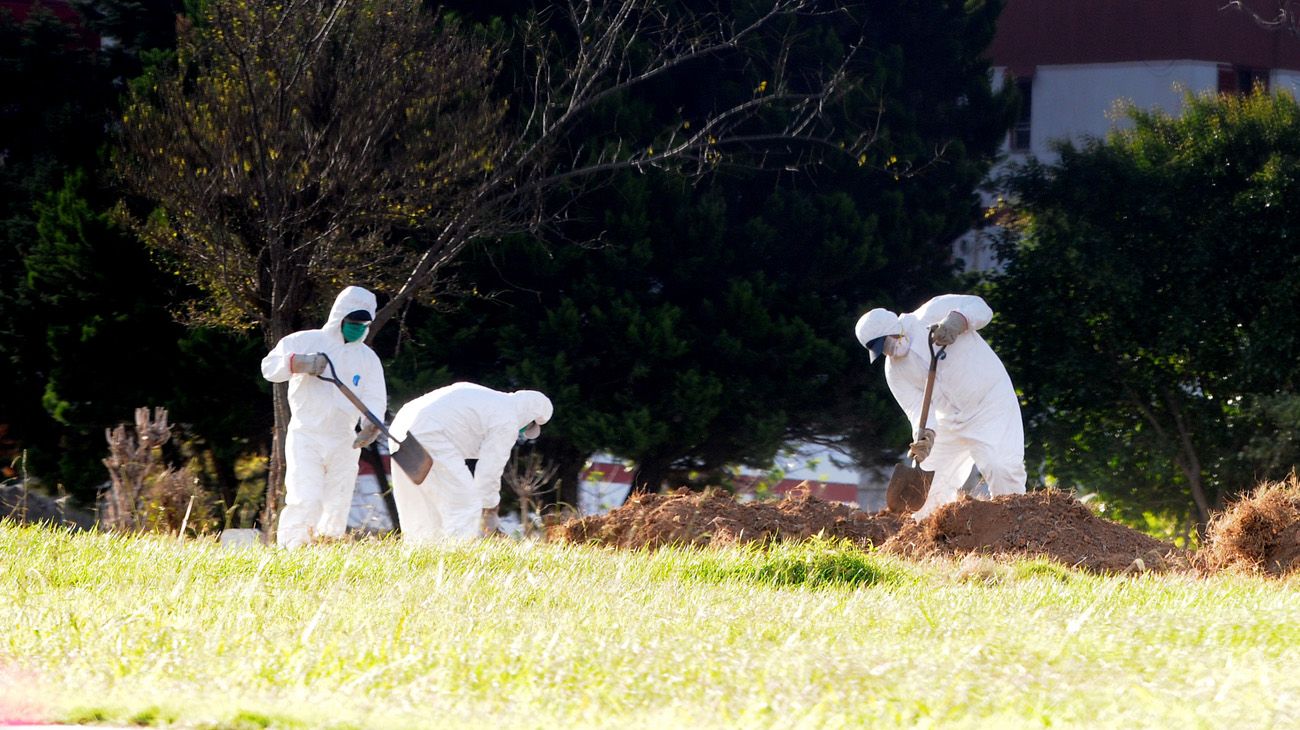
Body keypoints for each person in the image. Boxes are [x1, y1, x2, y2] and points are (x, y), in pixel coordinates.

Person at [855, 293, 1025, 519]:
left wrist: (958, 320)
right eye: (881, 350)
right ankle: (931, 540)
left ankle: (1014, 527)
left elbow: (981, 308)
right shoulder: (894, 371)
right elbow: (916, 409)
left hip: (989, 405)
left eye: (886, 343)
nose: (889, 351)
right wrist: (924, 435)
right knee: (926, 491)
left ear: (894, 328)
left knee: (1000, 468)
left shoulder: (932, 312)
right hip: (948, 421)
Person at [261, 286, 387, 548]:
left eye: (363, 324)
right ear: (340, 317)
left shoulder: (367, 358)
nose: (358, 328)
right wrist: (296, 363)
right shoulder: (303, 341)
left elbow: (375, 398)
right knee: (305, 496)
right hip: (307, 434)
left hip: (345, 439)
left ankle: (326, 549)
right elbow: (269, 368)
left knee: (337, 501)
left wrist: (371, 426)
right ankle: (293, 550)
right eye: (353, 322)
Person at [387, 383, 553, 542]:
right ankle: (459, 557)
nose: (520, 432)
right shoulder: (508, 419)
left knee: (421, 503)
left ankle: (421, 556)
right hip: (429, 432)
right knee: (465, 502)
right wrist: (490, 508)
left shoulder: (487, 398)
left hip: (400, 427)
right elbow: (489, 470)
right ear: (530, 417)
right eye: (525, 428)